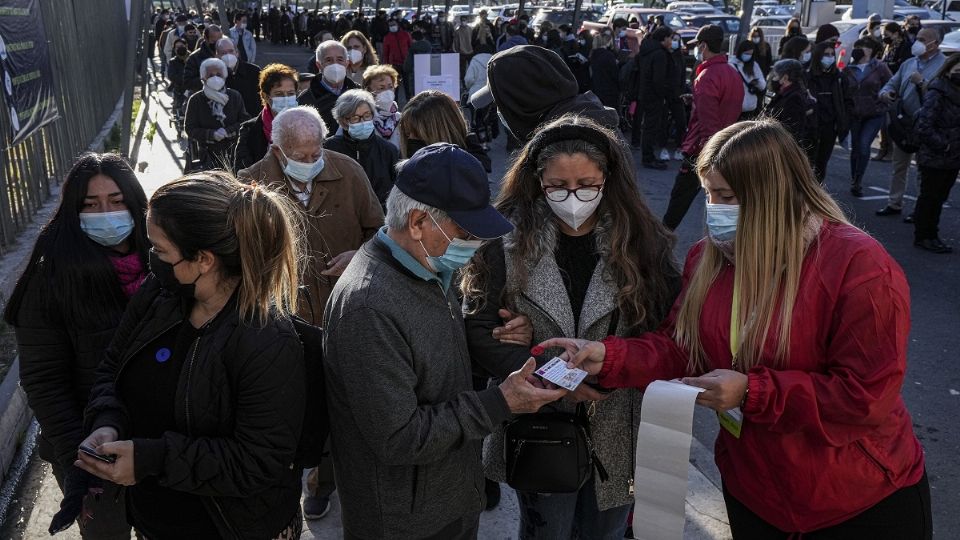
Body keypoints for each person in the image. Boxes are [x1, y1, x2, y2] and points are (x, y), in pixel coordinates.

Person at [541, 119, 932, 540]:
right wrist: (611, 356)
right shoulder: (708, 258)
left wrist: (752, 393)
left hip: (855, 500)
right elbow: (681, 347)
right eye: (709, 194)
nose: (713, 209)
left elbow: (864, 398)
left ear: (771, 193)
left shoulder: (860, 268)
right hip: (754, 490)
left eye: (725, 197)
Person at [323, 142, 567, 539]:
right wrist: (500, 401)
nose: (475, 244)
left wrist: (503, 334)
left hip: (449, 499)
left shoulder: (427, 268)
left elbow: (434, 364)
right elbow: (398, 437)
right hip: (405, 521)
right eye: (465, 232)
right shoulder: (369, 306)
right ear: (418, 222)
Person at [461, 115, 680, 540]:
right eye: (558, 186)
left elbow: (669, 330)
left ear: (608, 180)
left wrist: (612, 365)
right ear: (537, 182)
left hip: (619, 419)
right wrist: (550, 371)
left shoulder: (643, 242)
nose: (573, 197)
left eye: (587, 184)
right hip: (540, 421)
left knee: (607, 529)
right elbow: (478, 328)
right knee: (544, 529)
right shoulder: (503, 242)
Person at [76, 172, 307, 540]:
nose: (151, 258)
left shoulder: (265, 340)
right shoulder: (160, 296)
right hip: (155, 521)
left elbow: (259, 461)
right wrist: (108, 421)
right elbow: (112, 368)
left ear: (203, 259)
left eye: (160, 250)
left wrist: (152, 458)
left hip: (229, 528)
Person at [4, 154, 147, 539]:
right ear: (74, 211)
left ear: (134, 203)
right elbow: (45, 383)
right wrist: (79, 463)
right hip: (91, 450)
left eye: (116, 201)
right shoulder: (50, 276)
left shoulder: (164, 261)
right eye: (91, 204)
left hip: (158, 446)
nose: (106, 213)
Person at [662, 25, 744, 230]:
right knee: (720, 202)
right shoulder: (732, 73)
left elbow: (709, 121)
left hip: (703, 148)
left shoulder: (707, 76)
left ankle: (661, 242)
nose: (696, 50)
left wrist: (708, 151)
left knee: (679, 200)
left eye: (698, 45)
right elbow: (725, 106)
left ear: (704, 45)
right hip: (725, 144)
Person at [469, 45, 619, 146]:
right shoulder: (584, 123)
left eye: (501, 104)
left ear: (523, 102)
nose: (499, 111)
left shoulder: (561, 148)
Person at [876, 28, 945, 217]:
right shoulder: (909, 63)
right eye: (917, 38)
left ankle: (919, 210)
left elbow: (943, 95)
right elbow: (892, 83)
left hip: (928, 124)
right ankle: (894, 202)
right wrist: (885, 93)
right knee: (899, 166)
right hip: (904, 123)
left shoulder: (944, 65)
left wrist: (923, 83)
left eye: (922, 39)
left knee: (924, 170)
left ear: (935, 44)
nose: (917, 42)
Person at [911, 54, 960, 253]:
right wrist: (944, 145)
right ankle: (923, 235)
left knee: (939, 198)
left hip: (953, 157)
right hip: (935, 155)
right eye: (958, 70)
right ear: (949, 69)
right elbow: (925, 125)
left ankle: (932, 234)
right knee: (929, 197)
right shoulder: (938, 90)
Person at [325, 89, 399, 208]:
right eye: (355, 118)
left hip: (380, 217)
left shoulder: (388, 150)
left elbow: (395, 191)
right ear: (344, 120)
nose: (363, 121)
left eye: (367, 115)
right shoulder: (330, 148)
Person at [842, 37, 892, 197]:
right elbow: (841, 86)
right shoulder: (849, 68)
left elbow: (891, 85)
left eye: (865, 46)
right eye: (859, 46)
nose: (862, 49)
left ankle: (858, 180)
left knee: (864, 145)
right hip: (854, 113)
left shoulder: (880, 67)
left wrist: (885, 101)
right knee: (855, 148)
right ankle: (853, 178)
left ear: (872, 50)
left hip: (874, 114)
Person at [184, 58, 250, 171]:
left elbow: (244, 122)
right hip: (207, 156)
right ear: (203, 78)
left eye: (219, 74)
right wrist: (211, 134)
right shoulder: (196, 100)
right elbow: (189, 128)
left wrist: (228, 131)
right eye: (210, 75)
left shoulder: (234, 96)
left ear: (224, 76)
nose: (215, 78)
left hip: (234, 153)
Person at [399, 90, 491, 170]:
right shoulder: (404, 164)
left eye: (418, 134)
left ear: (442, 131)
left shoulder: (465, 172)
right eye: (407, 134)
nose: (410, 139)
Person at [233, 63, 299, 171]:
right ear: (266, 97)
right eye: (279, 94)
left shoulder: (308, 124)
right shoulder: (250, 130)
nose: (286, 98)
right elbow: (241, 170)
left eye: (291, 93)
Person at [631, 26, 674, 170]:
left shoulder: (647, 50)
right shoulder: (660, 54)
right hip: (654, 95)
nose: (672, 41)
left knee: (648, 126)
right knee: (651, 126)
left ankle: (648, 156)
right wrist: (663, 95)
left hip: (644, 92)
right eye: (670, 38)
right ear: (664, 38)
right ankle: (648, 157)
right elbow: (658, 79)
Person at [807, 40, 849, 183]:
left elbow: (846, 101)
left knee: (821, 163)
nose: (830, 57)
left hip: (830, 126)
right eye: (826, 54)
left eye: (832, 54)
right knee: (807, 161)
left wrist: (843, 123)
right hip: (811, 126)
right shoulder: (808, 76)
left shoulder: (838, 77)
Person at [298, 40, 359, 135]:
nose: (335, 65)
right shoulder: (306, 100)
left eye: (340, 59)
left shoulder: (359, 93)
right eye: (328, 60)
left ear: (347, 63)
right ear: (319, 65)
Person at [764, 59, 816, 153]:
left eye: (776, 75)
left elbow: (790, 128)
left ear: (785, 77)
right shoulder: (785, 93)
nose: (774, 79)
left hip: (784, 148)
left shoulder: (793, 98)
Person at [216, 37, 261, 118]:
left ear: (237, 52)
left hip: (252, 119)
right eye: (223, 53)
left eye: (231, 51)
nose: (228, 55)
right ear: (217, 55)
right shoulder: (215, 75)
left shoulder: (254, 71)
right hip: (229, 123)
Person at [362, 64, 401, 148]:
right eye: (381, 88)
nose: (387, 92)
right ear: (369, 90)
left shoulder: (399, 118)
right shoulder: (360, 117)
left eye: (390, 87)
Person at [730, 40, 766, 120]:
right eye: (746, 53)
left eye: (750, 54)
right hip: (736, 108)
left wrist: (756, 82)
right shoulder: (731, 65)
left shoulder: (754, 65)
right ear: (740, 52)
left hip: (751, 107)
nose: (748, 56)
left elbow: (762, 86)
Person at [184, 24, 222, 93]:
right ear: (205, 38)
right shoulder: (194, 57)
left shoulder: (226, 52)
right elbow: (188, 83)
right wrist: (205, 78)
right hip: (205, 96)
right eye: (214, 41)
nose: (217, 44)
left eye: (219, 40)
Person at [589, 30, 620, 110]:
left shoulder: (593, 54)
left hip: (596, 88)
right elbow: (614, 74)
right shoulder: (609, 55)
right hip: (609, 90)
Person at [382, 19, 412, 97]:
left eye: (394, 24)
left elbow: (411, 47)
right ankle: (395, 104)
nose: (392, 27)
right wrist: (387, 65)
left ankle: (409, 101)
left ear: (397, 25)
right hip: (394, 64)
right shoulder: (387, 37)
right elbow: (386, 52)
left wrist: (411, 60)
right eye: (390, 25)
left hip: (406, 63)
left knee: (407, 85)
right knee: (395, 85)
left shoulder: (405, 34)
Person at [403, 30, 433, 99]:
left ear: (413, 39)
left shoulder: (412, 49)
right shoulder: (430, 47)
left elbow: (407, 67)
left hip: (415, 79)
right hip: (429, 78)